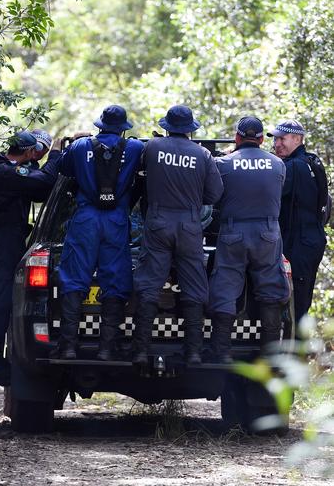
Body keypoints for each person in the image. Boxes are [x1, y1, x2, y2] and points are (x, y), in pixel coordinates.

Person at [49, 105, 144, 360]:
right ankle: (106, 348)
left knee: (74, 276)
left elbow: (64, 170)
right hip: (116, 219)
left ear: (99, 125)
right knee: (114, 278)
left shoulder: (80, 147)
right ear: (123, 128)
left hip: (86, 217)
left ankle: (68, 346)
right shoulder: (134, 148)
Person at [132, 105, 224, 365]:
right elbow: (215, 194)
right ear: (191, 129)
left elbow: (140, 178)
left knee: (149, 284)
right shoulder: (203, 154)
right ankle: (194, 352)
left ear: (167, 126)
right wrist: (194, 200)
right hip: (189, 224)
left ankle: (140, 350)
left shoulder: (152, 147)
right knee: (194, 285)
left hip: (159, 221)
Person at [0, 131, 60, 385]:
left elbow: (38, 191)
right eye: (39, 151)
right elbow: (43, 183)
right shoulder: (6, 173)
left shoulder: (5, 168)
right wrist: (55, 154)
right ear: (29, 151)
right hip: (1, 244)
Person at [208, 117, 291, 362]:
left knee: (226, 286)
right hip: (267, 232)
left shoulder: (223, 163)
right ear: (262, 139)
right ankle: (269, 357)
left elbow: (213, 196)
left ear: (237, 138)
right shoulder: (278, 164)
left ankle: (221, 352)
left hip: (234, 231)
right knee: (271, 289)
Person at [268, 120, 327, 325]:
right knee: (302, 300)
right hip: (310, 240)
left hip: (300, 244)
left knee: (297, 303)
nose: (277, 144)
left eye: (282, 139)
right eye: (275, 139)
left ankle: (295, 352)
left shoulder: (292, 167)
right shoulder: (312, 161)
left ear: (297, 139)